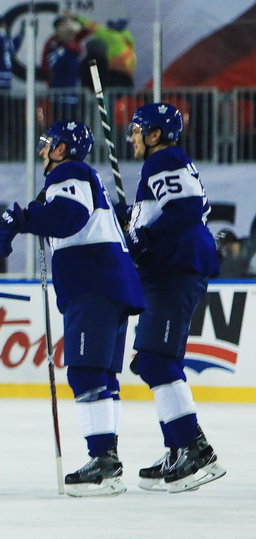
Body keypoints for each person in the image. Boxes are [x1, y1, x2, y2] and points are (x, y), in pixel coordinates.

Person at [0, 121, 145, 497]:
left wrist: (21, 220)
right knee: (102, 376)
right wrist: (28, 218)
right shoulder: (81, 178)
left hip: (94, 286)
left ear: (62, 149)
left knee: (87, 372)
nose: (44, 151)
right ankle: (107, 460)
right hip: (108, 286)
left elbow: (67, 217)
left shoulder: (70, 171)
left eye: (48, 144)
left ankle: (103, 462)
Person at [122, 103, 227, 493]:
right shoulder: (164, 164)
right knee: (153, 362)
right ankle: (177, 447)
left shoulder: (163, 160)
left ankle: (195, 449)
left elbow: (183, 210)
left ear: (154, 135)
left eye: (137, 130)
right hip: (170, 271)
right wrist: (133, 225)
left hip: (175, 272)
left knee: (156, 360)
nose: (131, 136)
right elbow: (167, 212)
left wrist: (142, 237)